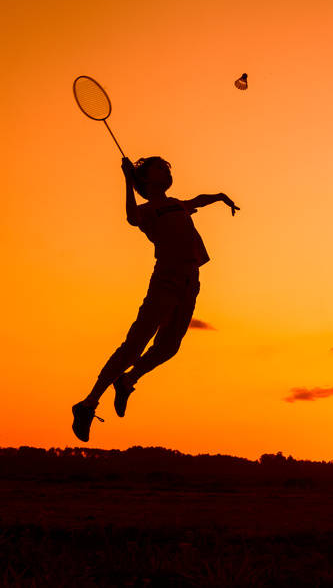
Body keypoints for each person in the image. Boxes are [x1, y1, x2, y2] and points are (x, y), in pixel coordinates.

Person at [71, 157, 239, 441]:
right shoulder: (147, 210)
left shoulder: (176, 203)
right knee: (133, 348)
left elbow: (197, 199)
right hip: (166, 280)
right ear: (146, 180)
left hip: (190, 282)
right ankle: (87, 404)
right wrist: (127, 179)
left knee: (169, 347)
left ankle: (127, 381)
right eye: (160, 167)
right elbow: (131, 217)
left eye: (167, 167)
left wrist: (221, 197)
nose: (167, 169)